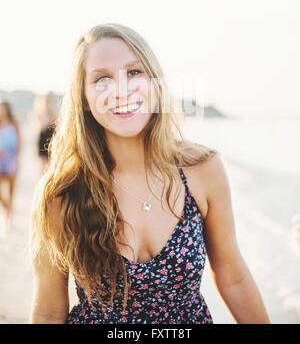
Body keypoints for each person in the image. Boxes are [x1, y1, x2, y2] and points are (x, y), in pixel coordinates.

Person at [29, 23, 271, 324]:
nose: (122, 89)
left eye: (134, 72)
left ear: (154, 82)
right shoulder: (61, 193)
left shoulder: (202, 170)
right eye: (102, 78)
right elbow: (49, 311)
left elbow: (233, 277)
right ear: (84, 97)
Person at [0, 101, 21, 225]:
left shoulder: (14, 125)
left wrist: (17, 159)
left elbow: (19, 142)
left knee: (11, 190)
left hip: (11, 161)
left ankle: (9, 214)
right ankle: (7, 209)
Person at [30, 93, 57, 175]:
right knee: (42, 163)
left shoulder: (53, 115)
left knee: (51, 162)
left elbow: (56, 127)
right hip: (42, 140)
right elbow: (37, 129)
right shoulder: (37, 115)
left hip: (51, 139)